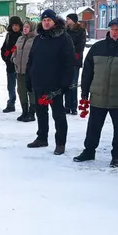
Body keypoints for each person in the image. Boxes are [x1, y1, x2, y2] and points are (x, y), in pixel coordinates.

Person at [73, 18, 118, 167]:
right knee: (93, 126)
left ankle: (117, 156)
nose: (115, 32)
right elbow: (87, 72)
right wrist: (85, 92)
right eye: (112, 28)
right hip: (98, 96)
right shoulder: (98, 47)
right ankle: (89, 151)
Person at [25, 9, 75, 154]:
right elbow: (31, 60)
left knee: (58, 114)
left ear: (54, 22)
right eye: (44, 20)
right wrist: (29, 77)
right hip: (39, 82)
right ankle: (42, 137)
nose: (46, 23)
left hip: (55, 85)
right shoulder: (38, 38)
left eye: (49, 20)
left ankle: (60, 143)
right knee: (41, 111)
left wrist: (65, 83)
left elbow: (69, 62)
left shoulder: (63, 38)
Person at [12, 20, 37, 122]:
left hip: (31, 71)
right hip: (19, 70)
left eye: (27, 27)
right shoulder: (20, 38)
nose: (25, 28)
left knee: (31, 92)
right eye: (24, 27)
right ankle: (24, 112)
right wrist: (13, 59)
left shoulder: (36, 39)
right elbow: (14, 50)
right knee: (21, 91)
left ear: (31, 28)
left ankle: (31, 113)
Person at [65, 13, 86, 115]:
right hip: (66, 61)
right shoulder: (66, 30)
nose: (67, 21)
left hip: (75, 60)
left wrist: (74, 53)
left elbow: (80, 45)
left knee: (73, 83)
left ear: (73, 20)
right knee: (66, 83)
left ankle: (73, 106)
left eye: (68, 19)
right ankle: (67, 105)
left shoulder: (81, 30)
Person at [1, 16, 23, 113]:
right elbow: (4, 47)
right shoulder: (9, 35)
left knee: (22, 87)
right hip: (10, 65)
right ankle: (11, 103)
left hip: (20, 65)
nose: (15, 27)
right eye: (13, 25)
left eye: (17, 25)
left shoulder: (23, 35)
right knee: (10, 86)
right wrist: (5, 57)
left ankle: (25, 105)